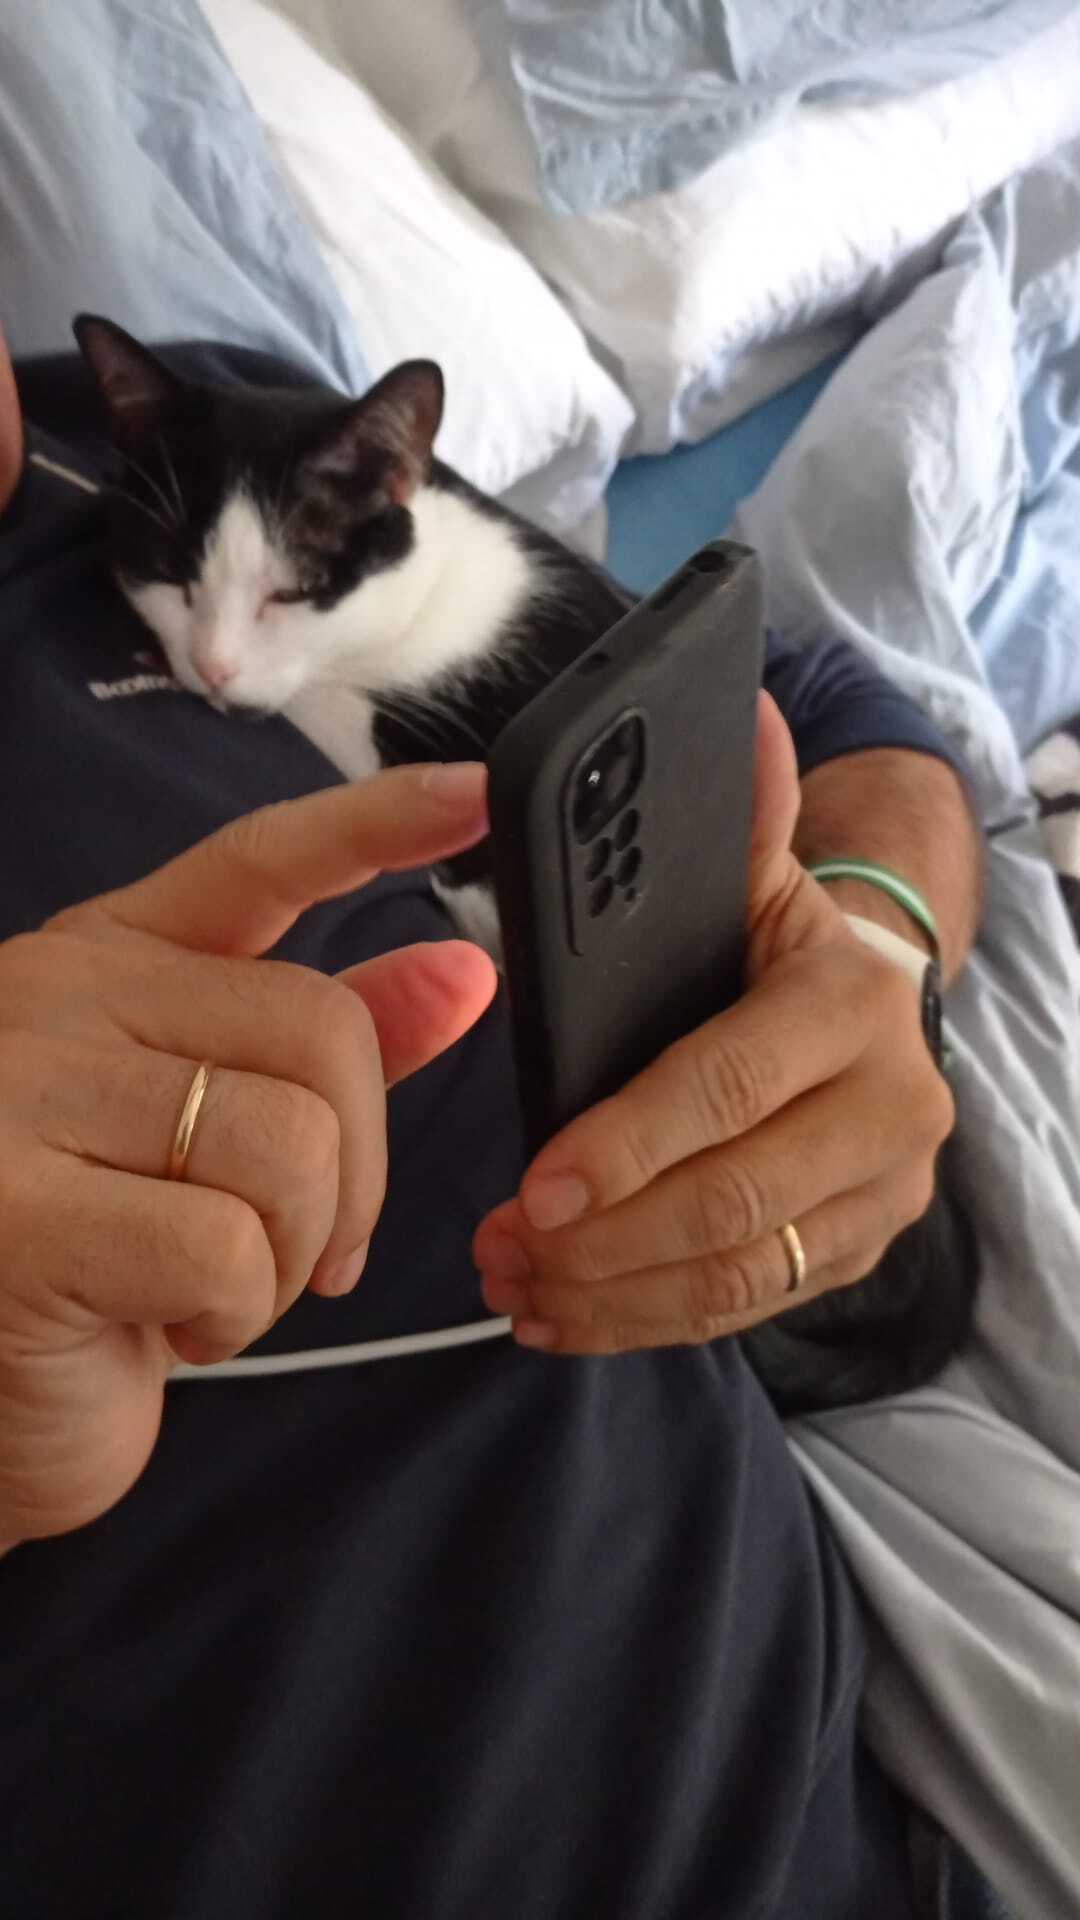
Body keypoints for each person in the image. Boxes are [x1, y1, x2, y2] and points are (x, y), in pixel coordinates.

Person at [0, 317, 984, 1919]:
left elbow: (803, 688)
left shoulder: (183, 415)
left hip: (852, 1791)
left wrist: (873, 939)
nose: (217, 661)